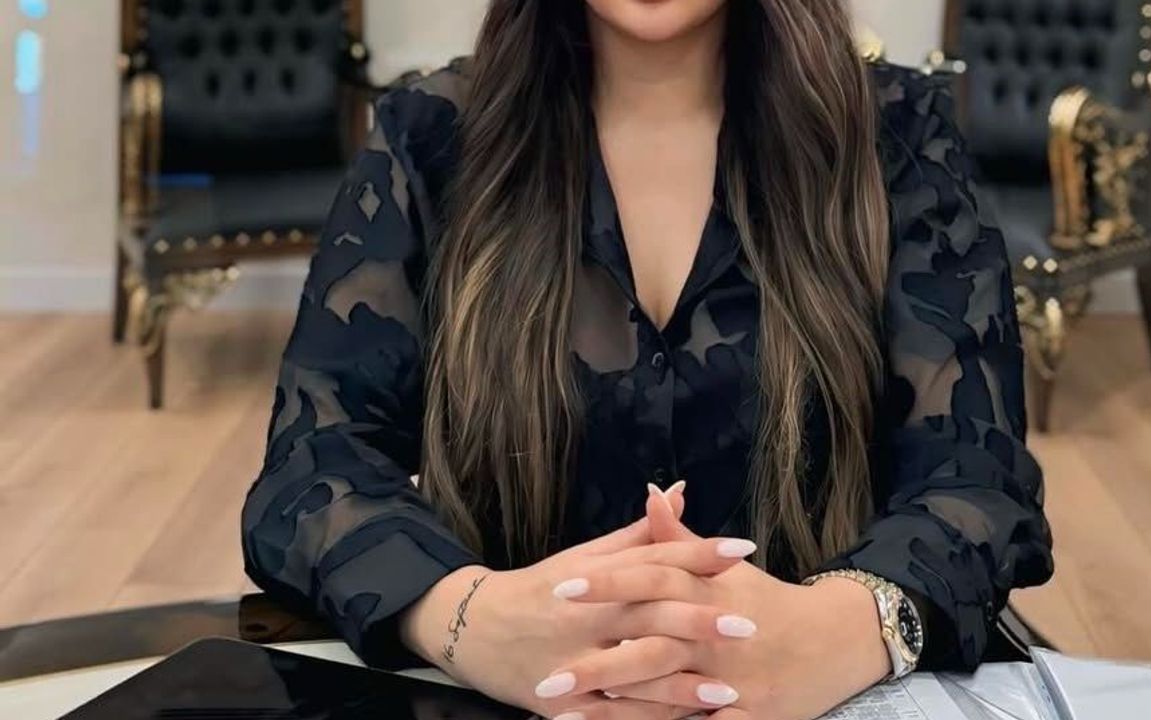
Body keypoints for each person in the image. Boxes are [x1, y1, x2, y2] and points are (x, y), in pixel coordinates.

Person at [241, 1, 1053, 718]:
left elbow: (979, 480)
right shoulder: (429, 135)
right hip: (514, 702)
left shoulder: (899, 133)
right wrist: (469, 618)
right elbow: (312, 467)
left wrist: (841, 629)